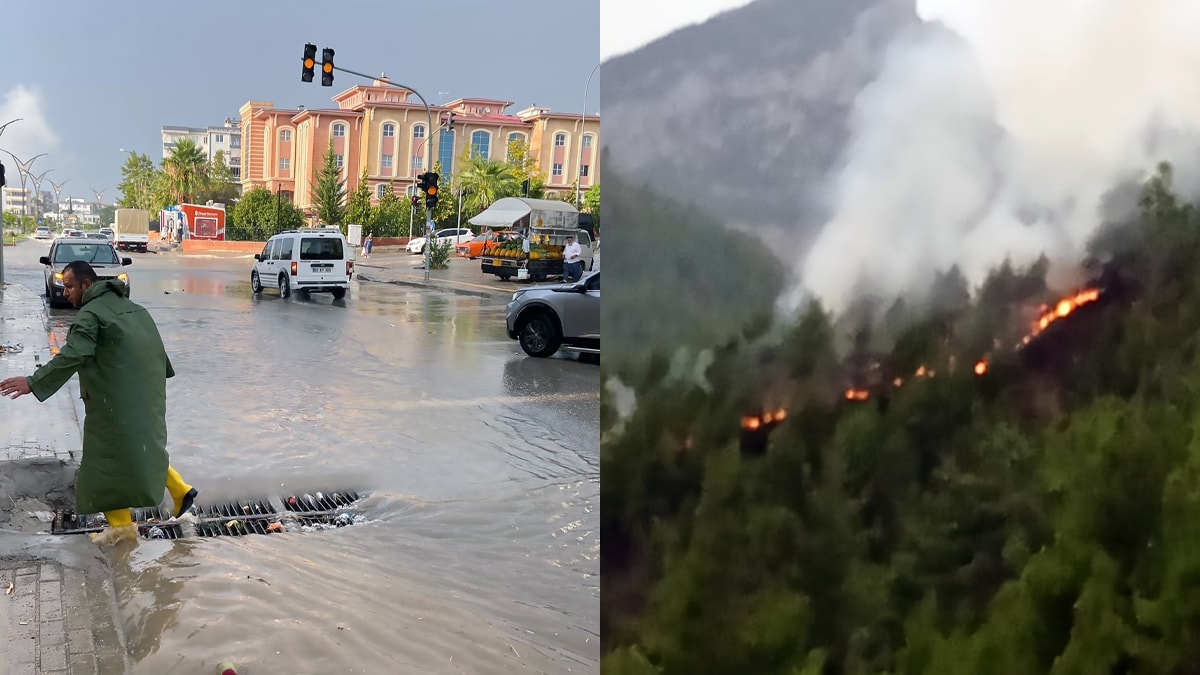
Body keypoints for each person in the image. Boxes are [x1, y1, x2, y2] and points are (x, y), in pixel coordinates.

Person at [0, 261, 198, 546]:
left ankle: (124, 530)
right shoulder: (133, 308)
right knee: (141, 449)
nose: (66, 292)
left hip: (113, 401)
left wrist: (33, 382)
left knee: (102, 467)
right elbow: (158, 354)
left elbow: (72, 355)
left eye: (69, 286)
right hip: (144, 394)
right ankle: (181, 491)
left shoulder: (90, 315)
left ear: (87, 285)